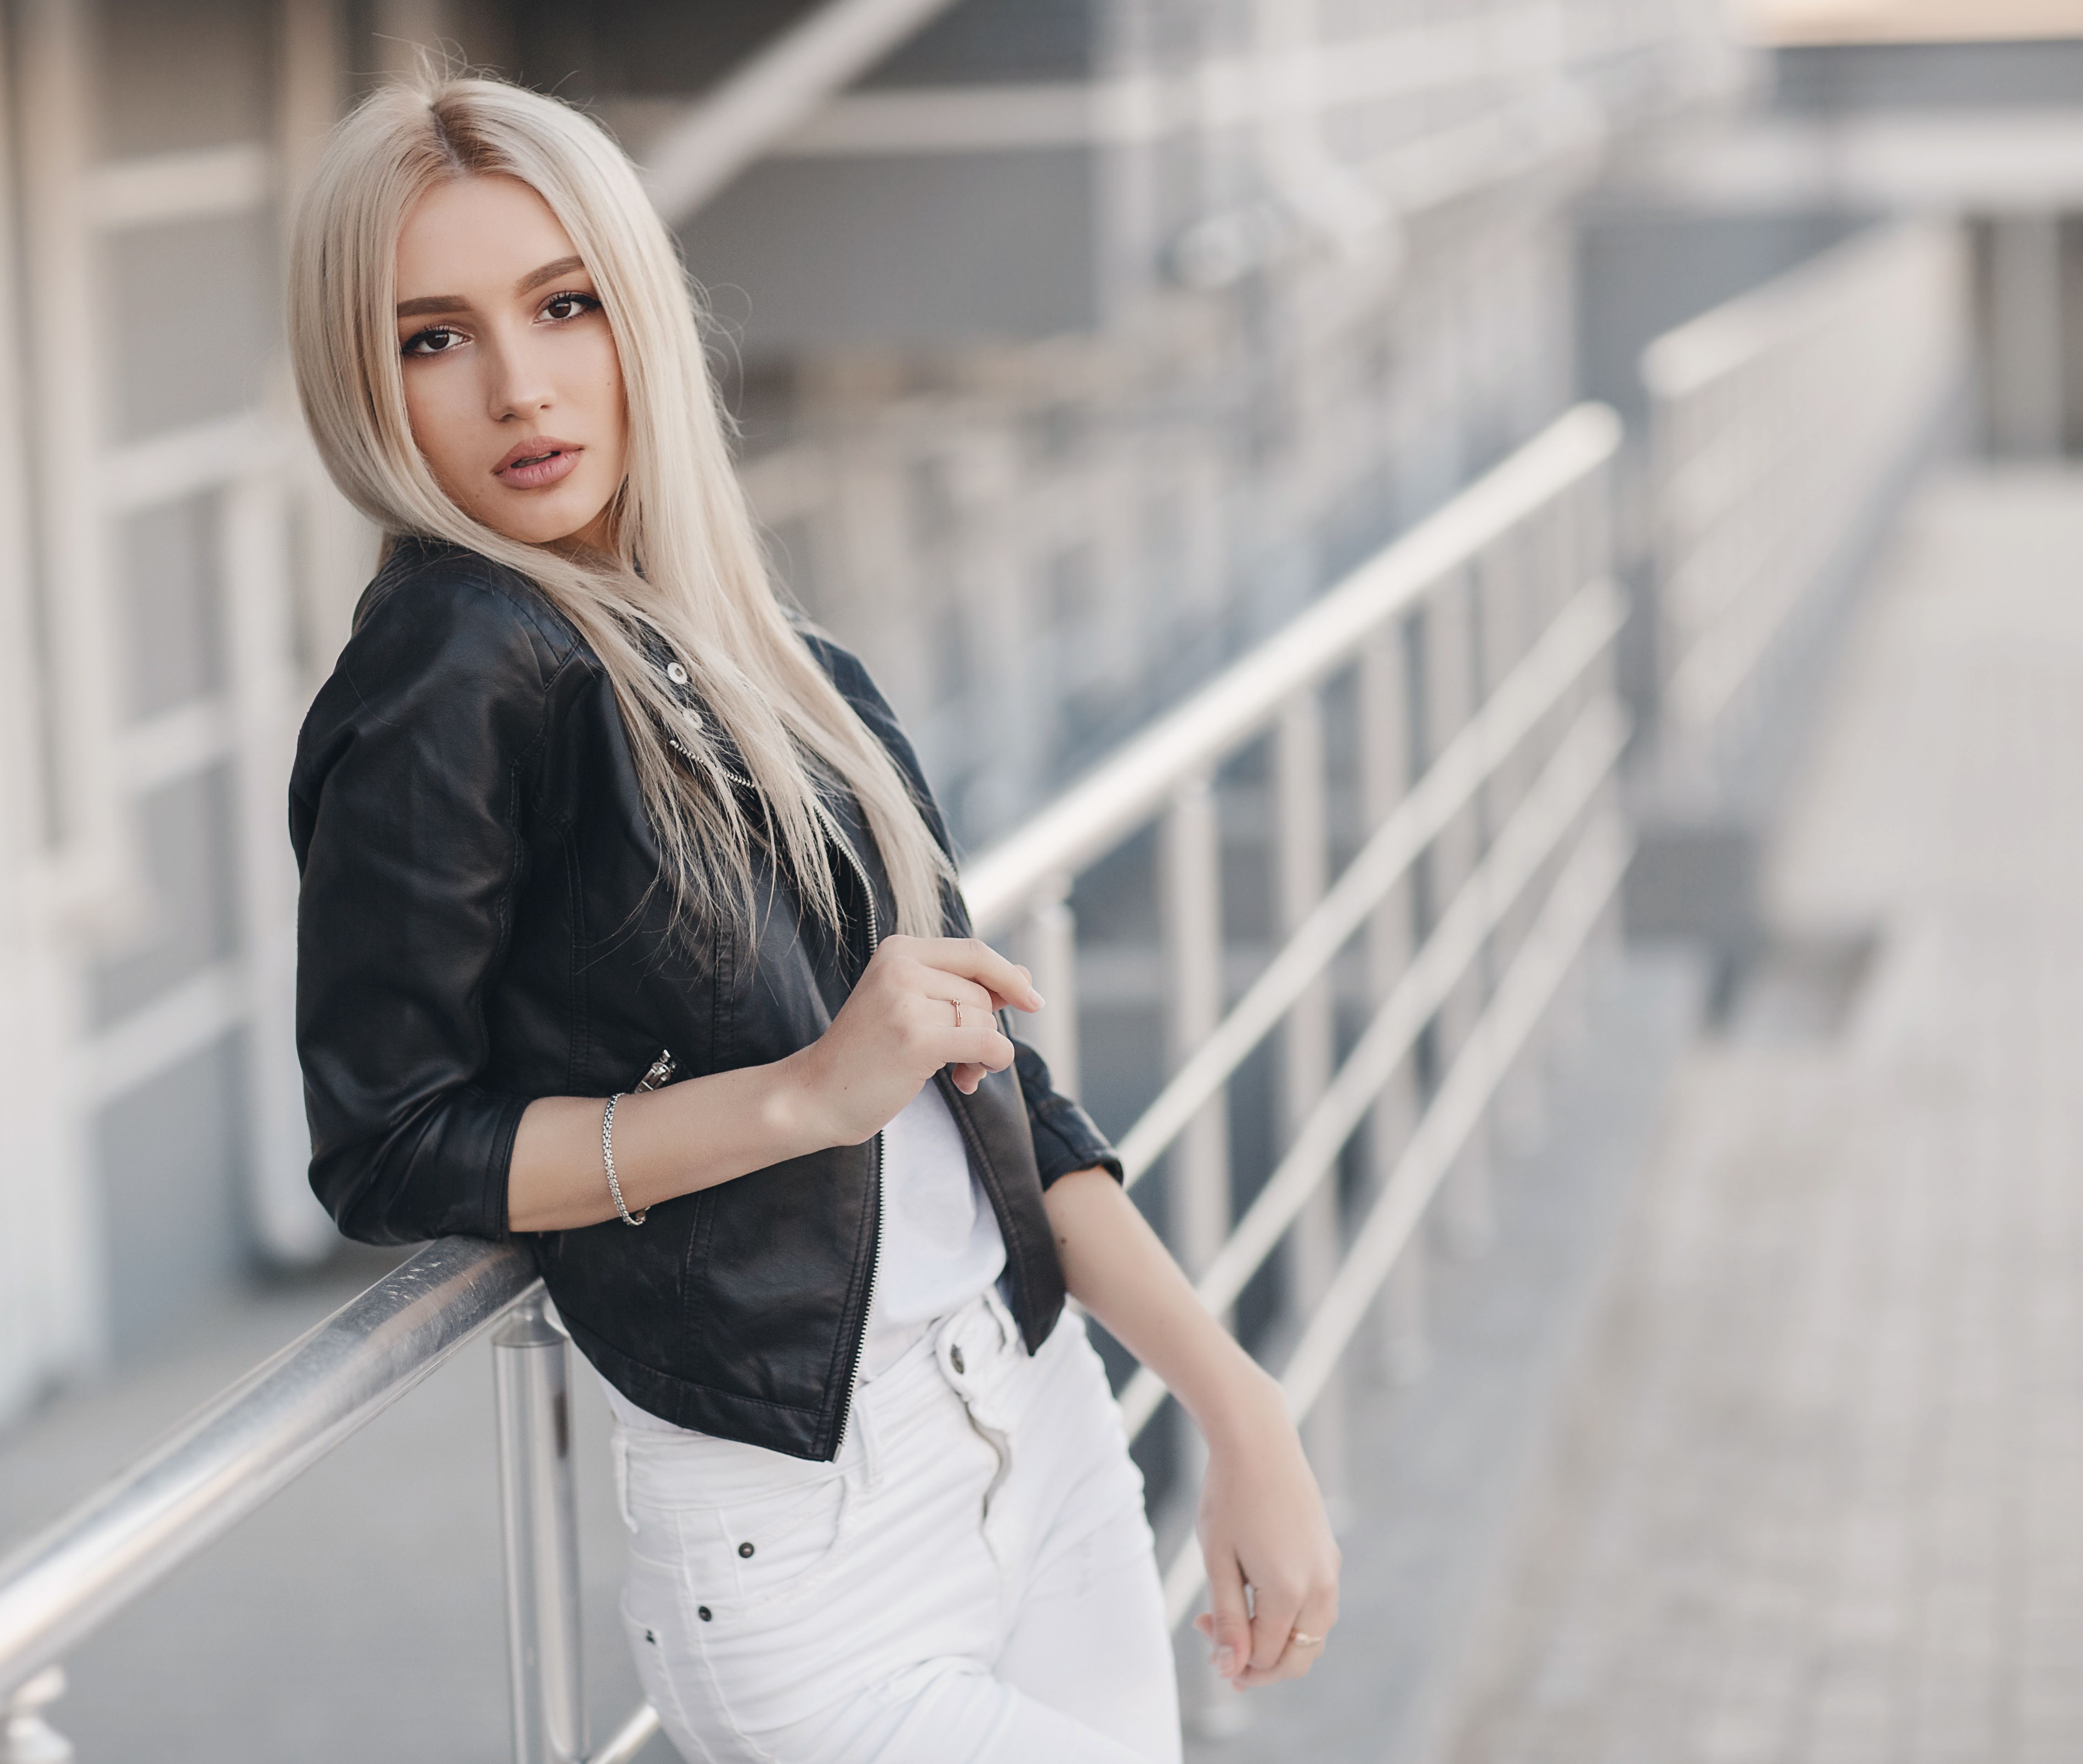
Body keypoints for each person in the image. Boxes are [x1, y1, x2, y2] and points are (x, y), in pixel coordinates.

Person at [284, 74, 1339, 1764]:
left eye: (564, 306)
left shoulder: (788, 671)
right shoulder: (457, 665)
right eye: (433, 338)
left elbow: (1007, 1092)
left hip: (1038, 1420)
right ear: (367, 380)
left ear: (637, 315)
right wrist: (801, 1102)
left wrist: (1238, 1401)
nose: (520, 386)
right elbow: (389, 1145)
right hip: (804, 1528)